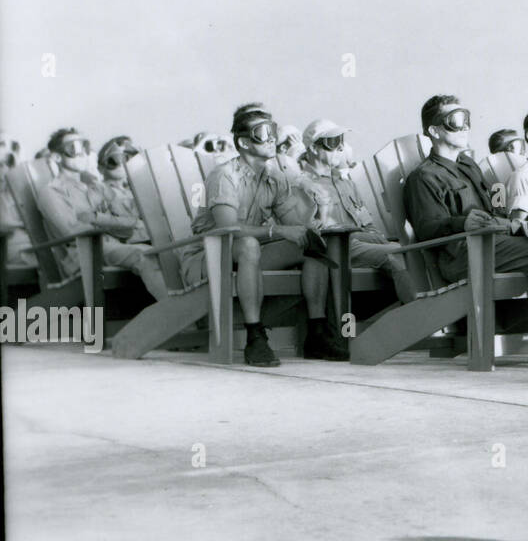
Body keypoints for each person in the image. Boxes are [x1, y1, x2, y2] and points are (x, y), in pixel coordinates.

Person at [403, 95, 528, 329]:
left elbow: (495, 207)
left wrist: (513, 224)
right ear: (435, 130)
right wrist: (462, 223)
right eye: (456, 120)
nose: (466, 126)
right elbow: (426, 228)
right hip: (465, 252)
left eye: (467, 118)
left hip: (496, 239)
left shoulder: (469, 166)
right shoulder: (423, 177)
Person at [180, 105, 349, 367]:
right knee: (247, 244)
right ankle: (255, 337)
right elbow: (228, 230)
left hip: (249, 255)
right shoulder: (225, 175)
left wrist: (319, 213)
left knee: (312, 244)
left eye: (273, 131)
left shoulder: (274, 178)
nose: (271, 138)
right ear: (244, 142)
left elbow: (295, 225)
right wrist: (277, 230)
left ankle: (317, 333)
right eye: (263, 132)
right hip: (207, 257)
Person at [34, 128, 169, 305]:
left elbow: (125, 218)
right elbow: (71, 231)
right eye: (73, 147)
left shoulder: (94, 186)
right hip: (85, 252)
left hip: (112, 245)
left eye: (85, 146)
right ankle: (178, 314)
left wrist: (99, 219)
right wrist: (113, 222)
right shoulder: (51, 192)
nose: (81, 153)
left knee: (167, 248)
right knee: (145, 254)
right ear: (57, 157)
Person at [296, 118, 418, 307]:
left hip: (359, 243)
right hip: (336, 248)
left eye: (341, 141)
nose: (340, 148)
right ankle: (417, 313)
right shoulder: (303, 185)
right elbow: (313, 234)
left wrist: (374, 237)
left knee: (411, 250)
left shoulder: (345, 183)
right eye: (332, 142)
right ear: (313, 148)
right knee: (398, 252)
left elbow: (366, 222)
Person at [1, 132, 36, 267]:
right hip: (11, 249)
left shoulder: (14, 191)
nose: (5, 169)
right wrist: (23, 224)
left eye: (8, 164)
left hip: (31, 244)